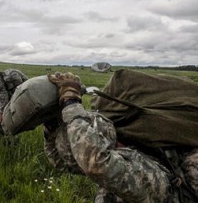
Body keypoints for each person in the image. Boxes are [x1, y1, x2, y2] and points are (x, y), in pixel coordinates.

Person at [43, 72, 198, 203]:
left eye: (96, 136)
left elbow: (96, 163)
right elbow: (66, 163)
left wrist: (71, 104)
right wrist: (52, 125)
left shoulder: (148, 173)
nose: (93, 140)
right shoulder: (123, 152)